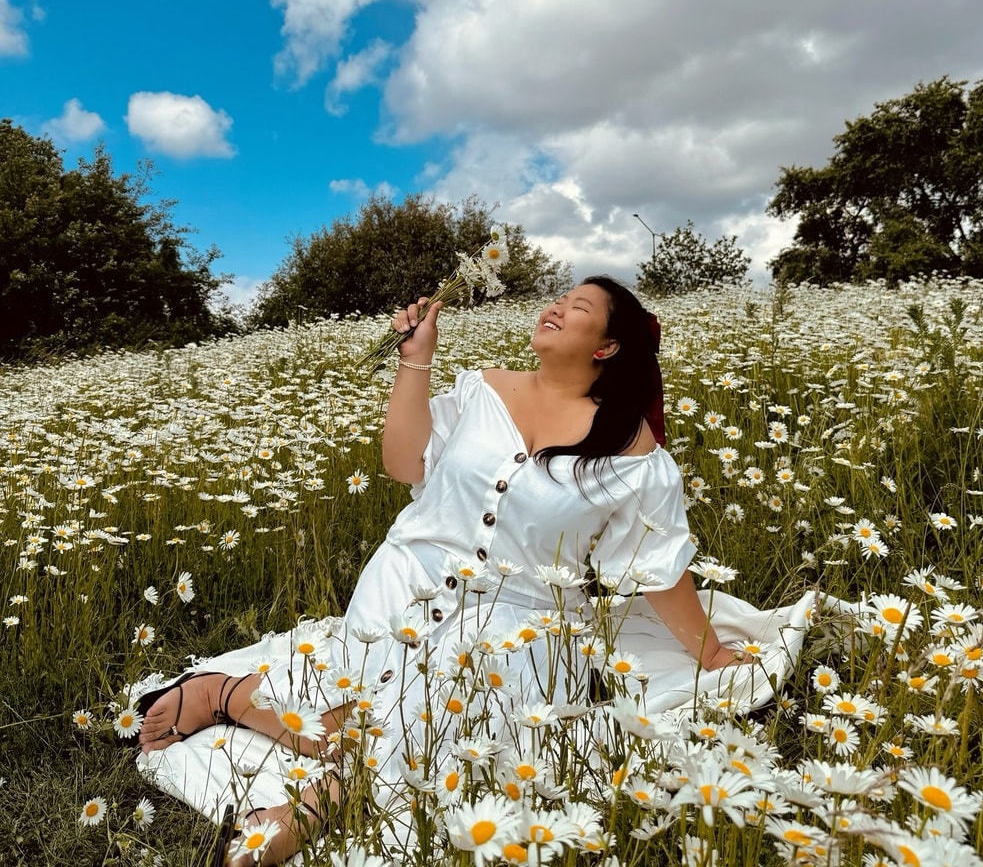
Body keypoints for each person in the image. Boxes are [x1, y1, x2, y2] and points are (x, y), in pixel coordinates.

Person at [132, 277, 815, 866]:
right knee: (383, 721)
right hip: (408, 577)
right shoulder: (481, 389)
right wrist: (415, 364)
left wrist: (712, 650)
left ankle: (236, 710)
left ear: (606, 347)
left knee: (444, 750)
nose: (554, 308)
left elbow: (656, 568)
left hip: (520, 622)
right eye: (558, 299)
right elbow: (405, 466)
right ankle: (279, 779)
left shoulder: (632, 450)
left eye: (577, 309)